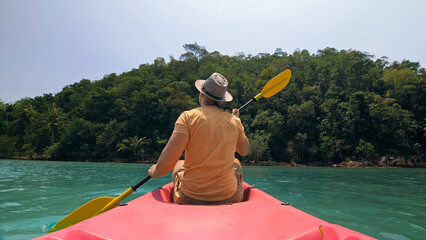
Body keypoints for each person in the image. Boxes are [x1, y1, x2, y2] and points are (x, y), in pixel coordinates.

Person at [148, 72, 250, 205]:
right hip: (228, 196)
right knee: (236, 161)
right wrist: (237, 121)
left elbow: (168, 160)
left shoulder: (188, 117)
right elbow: (244, 151)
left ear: (201, 94)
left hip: (189, 196)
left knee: (179, 163)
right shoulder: (234, 121)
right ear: (221, 100)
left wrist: (155, 171)